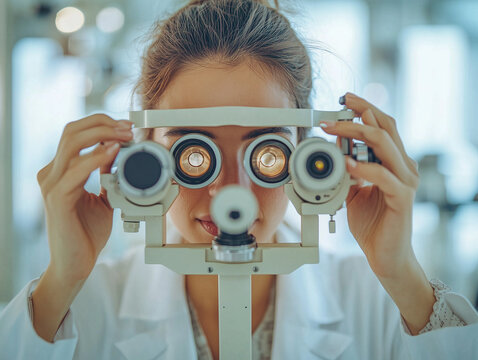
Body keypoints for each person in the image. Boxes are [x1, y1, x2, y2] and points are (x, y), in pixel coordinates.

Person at [1, 0, 477, 359]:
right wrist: (61, 280)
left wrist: (402, 275)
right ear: (141, 149)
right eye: (194, 153)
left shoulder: (378, 304)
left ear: (310, 153)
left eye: (265, 155)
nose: (230, 192)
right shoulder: (82, 311)